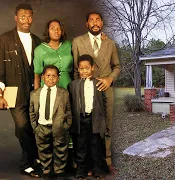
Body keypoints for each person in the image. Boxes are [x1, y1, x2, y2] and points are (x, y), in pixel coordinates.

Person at [72, 11, 120, 174]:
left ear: (102, 23)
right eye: (91, 20)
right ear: (86, 24)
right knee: (86, 129)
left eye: (98, 19)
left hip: (104, 89)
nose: (95, 22)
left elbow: (117, 66)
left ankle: (106, 161)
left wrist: (109, 79)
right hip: (85, 89)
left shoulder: (110, 43)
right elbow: (75, 68)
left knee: (105, 126)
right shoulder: (78, 41)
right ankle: (86, 164)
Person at [0, 3, 41, 177]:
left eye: (29, 16)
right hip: (12, 91)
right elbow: (0, 69)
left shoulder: (37, 40)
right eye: (22, 16)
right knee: (22, 125)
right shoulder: (4, 39)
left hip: (34, 91)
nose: (26, 20)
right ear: (16, 18)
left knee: (31, 127)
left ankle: (28, 163)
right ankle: (36, 158)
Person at [29, 65, 72, 179]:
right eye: (48, 76)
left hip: (59, 127)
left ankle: (59, 171)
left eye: (54, 76)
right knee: (43, 150)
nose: (51, 78)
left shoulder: (63, 93)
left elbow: (68, 110)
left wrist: (66, 125)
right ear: (42, 77)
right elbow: (32, 111)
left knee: (60, 149)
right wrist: (35, 126)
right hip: (41, 126)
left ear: (58, 78)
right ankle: (47, 170)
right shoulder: (34, 94)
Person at [69, 54, 107, 179]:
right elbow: (70, 104)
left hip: (95, 118)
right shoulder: (73, 85)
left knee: (95, 144)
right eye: (81, 68)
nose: (84, 70)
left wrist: (103, 120)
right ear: (78, 69)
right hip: (80, 119)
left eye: (87, 68)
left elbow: (104, 103)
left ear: (92, 68)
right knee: (80, 144)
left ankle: (97, 168)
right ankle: (81, 169)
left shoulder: (99, 83)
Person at [33, 19, 73, 89]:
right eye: (52, 28)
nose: (56, 31)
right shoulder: (39, 49)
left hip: (67, 85)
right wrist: (36, 94)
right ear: (47, 31)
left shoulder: (69, 45)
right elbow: (37, 75)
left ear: (62, 31)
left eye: (59, 28)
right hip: (48, 86)